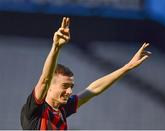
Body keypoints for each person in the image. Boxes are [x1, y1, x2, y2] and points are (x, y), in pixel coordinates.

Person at [20, 17, 151, 130]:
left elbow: (93, 89)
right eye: (65, 86)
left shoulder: (62, 109)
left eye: (71, 87)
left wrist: (127, 67)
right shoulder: (35, 111)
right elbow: (45, 79)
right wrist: (56, 47)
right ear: (49, 87)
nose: (69, 91)